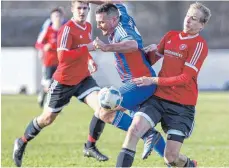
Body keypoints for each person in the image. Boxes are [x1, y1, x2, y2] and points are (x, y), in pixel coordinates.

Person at [116, 2, 211, 167]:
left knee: (171, 158)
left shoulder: (199, 45)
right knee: (134, 130)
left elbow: (185, 78)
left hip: (182, 106)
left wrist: (152, 80)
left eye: (194, 19)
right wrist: (140, 54)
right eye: (188, 16)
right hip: (158, 99)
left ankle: (189, 165)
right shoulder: (170, 36)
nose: (188, 20)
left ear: (202, 25)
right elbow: (152, 59)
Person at [12, 1, 106, 167]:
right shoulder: (67, 28)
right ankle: (21, 141)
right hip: (64, 81)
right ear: (72, 9)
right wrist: (89, 49)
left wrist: (90, 60)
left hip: (83, 79)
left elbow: (83, 48)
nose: (82, 11)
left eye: (85, 8)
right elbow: (63, 57)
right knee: (47, 119)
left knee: (103, 107)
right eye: (79, 8)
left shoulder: (88, 27)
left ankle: (90, 146)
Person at [83, 1, 165, 161]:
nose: (98, 26)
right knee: (137, 123)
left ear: (114, 20)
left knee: (104, 111)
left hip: (140, 84)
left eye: (101, 22)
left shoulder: (121, 30)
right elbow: (117, 2)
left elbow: (133, 44)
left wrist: (106, 47)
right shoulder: (120, 13)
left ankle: (149, 134)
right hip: (136, 83)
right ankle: (182, 164)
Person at [35, 7, 63, 108]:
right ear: (51, 18)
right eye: (55, 16)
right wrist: (44, 47)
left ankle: (52, 105)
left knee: (57, 85)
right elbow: (38, 44)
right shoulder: (48, 30)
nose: (58, 18)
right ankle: (43, 95)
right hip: (49, 62)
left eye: (59, 16)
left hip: (61, 63)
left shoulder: (65, 30)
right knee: (48, 85)